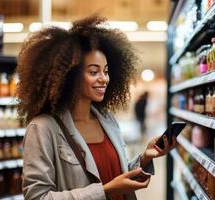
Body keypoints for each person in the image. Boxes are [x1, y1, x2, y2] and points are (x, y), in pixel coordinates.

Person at [17, 15, 176, 200]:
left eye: (106, 71)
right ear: (70, 75)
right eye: (94, 72)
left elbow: (116, 173)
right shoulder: (43, 128)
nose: (104, 79)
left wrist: (145, 158)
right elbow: (37, 197)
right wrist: (105, 191)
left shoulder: (106, 119)